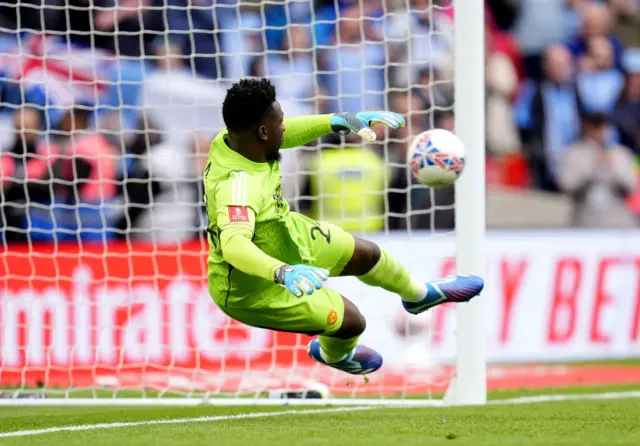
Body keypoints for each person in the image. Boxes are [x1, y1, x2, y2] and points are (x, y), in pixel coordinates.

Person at [203, 78, 484, 376]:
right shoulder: (238, 186)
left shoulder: (235, 137)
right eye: (280, 122)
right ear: (262, 132)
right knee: (352, 322)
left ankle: (417, 296)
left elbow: (286, 133)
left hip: (284, 231)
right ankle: (333, 355)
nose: (285, 128)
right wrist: (283, 272)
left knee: (367, 254)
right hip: (253, 286)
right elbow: (235, 246)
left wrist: (338, 121)